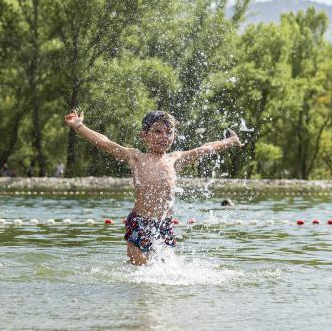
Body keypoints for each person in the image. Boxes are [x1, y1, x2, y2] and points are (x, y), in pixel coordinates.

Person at [65, 109, 242, 266]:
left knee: (164, 272)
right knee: (140, 274)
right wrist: (79, 126)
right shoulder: (136, 158)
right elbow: (105, 143)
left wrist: (231, 141)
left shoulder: (175, 159)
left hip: (164, 224)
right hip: (140, 223)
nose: (164, 136)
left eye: (169, 132)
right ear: (144, 135)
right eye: (157, 131)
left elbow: (205, 148)